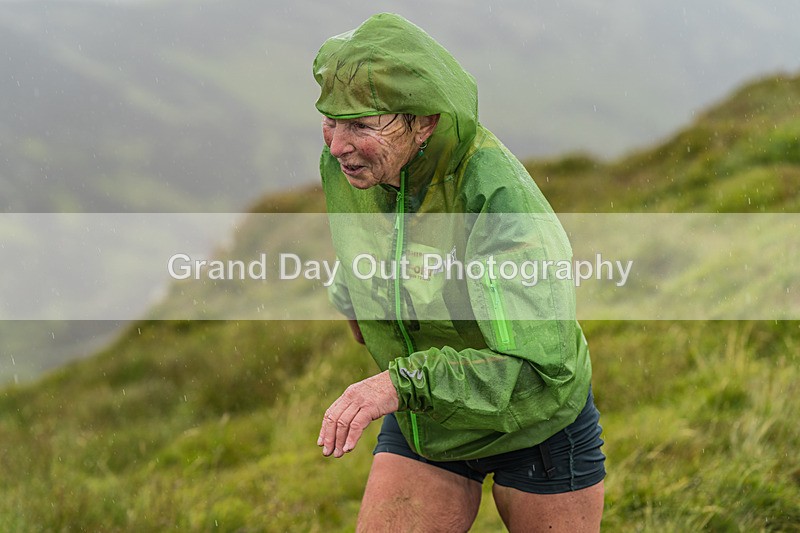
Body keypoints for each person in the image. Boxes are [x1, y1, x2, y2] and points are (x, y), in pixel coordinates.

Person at [313, 13, 605, 532]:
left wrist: (397, 383)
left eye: (360, 124)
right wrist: (351, 294)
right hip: (430, 422)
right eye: (331, 120)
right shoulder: (354, 166)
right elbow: (376, 241)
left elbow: (535, 365)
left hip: (535, 423)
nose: (337, 145)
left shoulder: (498, 200)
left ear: (424, 122)